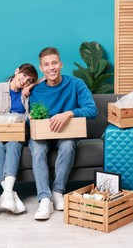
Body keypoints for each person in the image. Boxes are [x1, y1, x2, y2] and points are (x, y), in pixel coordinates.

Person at [28, 47, 98, 220]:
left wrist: (69, 113)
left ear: (61, 64)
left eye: (54, 63)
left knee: (68, 145)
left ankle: (58, 191)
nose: (51, 68)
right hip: (42, 134)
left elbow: (92, 110)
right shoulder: (35, 90)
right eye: (46, 65)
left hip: (66, 133)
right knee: (37, 149)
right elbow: (31, 118)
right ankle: (44, 199)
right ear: (41, 68)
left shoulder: (76, 84)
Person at [0, 63, 38, 214]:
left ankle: (7, 194)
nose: (24, 81)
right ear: (16, 71)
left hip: (14, 135)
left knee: (14, 144)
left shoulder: (27, 95)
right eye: (24, 75)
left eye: (29, 80)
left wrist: (31, 86)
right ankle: (10, 194)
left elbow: (45, 79)